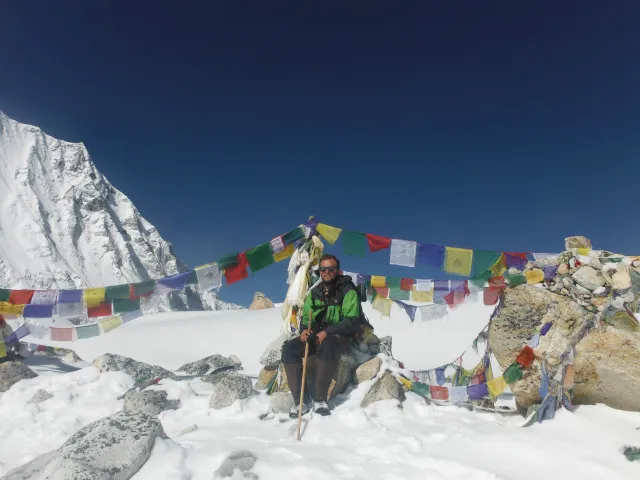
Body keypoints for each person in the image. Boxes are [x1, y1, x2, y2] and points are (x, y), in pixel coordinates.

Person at [281, 253, 364, 417]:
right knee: (290, 349)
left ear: (337, 271)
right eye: (323, 269)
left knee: (328, 344)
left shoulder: (348, 291)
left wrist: (328, 332)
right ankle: (301, 401)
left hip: (339, 335)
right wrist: (304, 329)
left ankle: (320, 398)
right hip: (316, 334)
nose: (327, 272)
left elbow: (351, 321)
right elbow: (306, 317)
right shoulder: (315, 293)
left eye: (331, 269)